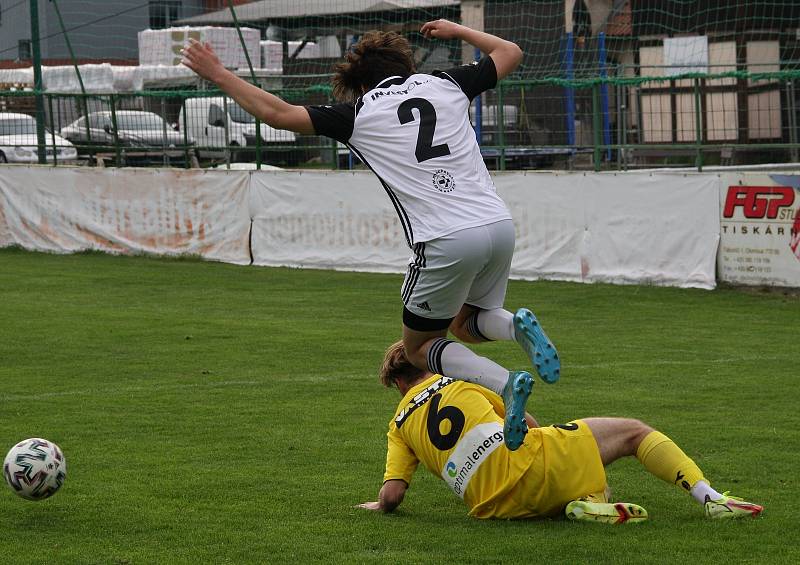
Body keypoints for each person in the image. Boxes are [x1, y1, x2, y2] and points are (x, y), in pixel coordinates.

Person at [181, 20, 560, 450]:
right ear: (406, 64)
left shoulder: (361, 112)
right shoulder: (446, 83)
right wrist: (458, 31)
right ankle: (516, 328)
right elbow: (511, 50)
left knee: (419, 348)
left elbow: (278, 115)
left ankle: (506, 383)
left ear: (359, 83)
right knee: (468, 323)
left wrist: (218, 74)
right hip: (497, 225)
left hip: (445, 237)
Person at [357, 341, 764, 523]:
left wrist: (378, 507)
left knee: (572, 475)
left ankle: (585, 503)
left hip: (495, 508)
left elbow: (392, 495)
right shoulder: (462, 379)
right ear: (430, 362)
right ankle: (712, 499)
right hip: (532, 464)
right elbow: (528, 424)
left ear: (396, 383)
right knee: (635, 433)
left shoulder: (398, 426)